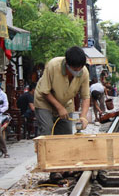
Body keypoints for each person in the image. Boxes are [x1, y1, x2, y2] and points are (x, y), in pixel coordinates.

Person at [34, 46, 91, 183]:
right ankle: (53, 171)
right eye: (75, 69)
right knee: (48, 132)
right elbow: (45, 91)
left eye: (80, 69)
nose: (77, 72)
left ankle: (64, 167)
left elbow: (85, 97)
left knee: (65, 136)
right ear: (67, 64)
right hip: (44, 102)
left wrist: (83, 116)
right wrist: (58, 107)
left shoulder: (84, 72)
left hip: (66, 103)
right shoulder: (53, 65)